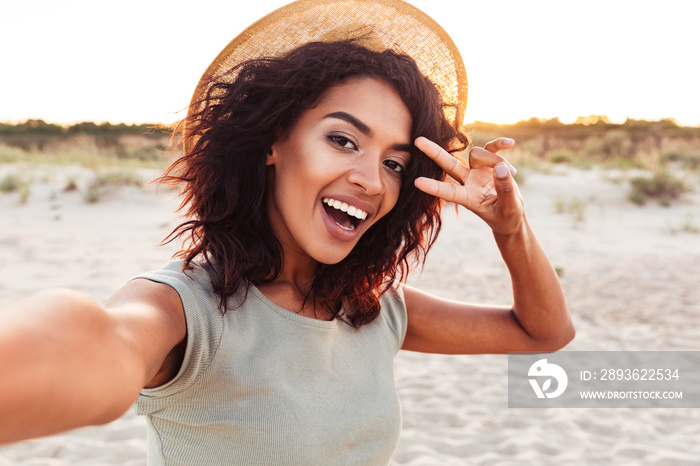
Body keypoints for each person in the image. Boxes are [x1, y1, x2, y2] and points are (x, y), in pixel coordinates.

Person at [0, 0, 574, 463]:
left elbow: (543, 333)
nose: (371, 181)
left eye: (395, 163)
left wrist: (511, 227)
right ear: (274, 143)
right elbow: (100, 344)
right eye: (343, 140)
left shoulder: (376, 309)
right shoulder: (185, 309)